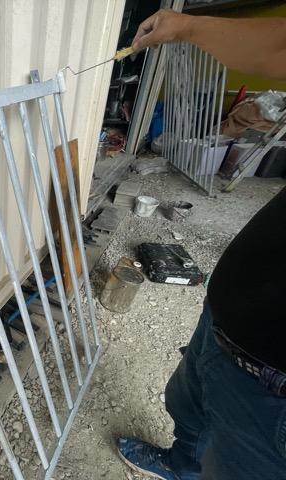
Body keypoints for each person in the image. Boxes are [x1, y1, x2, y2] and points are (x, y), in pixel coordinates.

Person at [116, 9, 286, 480]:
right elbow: (279, 46)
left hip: (273, 386)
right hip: (229, 317)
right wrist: (186, 26)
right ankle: (181, 464)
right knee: (188, 405)